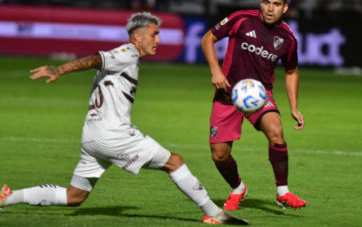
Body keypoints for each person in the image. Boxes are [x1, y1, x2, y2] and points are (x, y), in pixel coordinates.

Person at [0, 12, 248, 225]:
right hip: (113, 135)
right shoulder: (127, 52)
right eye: (154, 34)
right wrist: (60, 69)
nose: (158, 40)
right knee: (174, 162)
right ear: (137, 36)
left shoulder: (130, 58)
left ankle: (8, 197)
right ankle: (214, 213)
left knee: (75, 196)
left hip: (91, 137)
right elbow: (96, 59)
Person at [201, 0, 306, 210]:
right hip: (228, 93)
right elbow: (208, 38)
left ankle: (282, 192)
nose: (270, 8)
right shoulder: (241, 19)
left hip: (259, 95)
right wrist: (216, 72)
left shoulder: (288, 39)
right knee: (219, 155)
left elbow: (291, 71)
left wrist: (294, 107)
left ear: (284, 8)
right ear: (261, 3)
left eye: (276, 4)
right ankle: (238, 188)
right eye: (266, 2)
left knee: (276, 132)